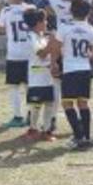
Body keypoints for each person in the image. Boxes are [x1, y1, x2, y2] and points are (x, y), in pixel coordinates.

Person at [44, 0, 93, 150]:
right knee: (83, 102)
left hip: (70, 70)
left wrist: (54, 63)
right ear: (88, 13)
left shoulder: (64, 27)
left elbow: (56, 46)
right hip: (85, 69)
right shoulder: (90, 29)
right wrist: (90, 55)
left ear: (70, 10)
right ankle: (87, 137)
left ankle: (78, 136)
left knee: (67, 103)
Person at [0, 0, 35, 128]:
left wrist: (5, 28)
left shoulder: (6, 11)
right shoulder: (31, 8)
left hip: (14, 54)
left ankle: (17, 116)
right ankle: (32, 115)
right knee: (31, 85)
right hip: (31, 53)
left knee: (14, 86)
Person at [22, 8, 57, 141]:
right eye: (44, 20)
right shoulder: (31, 37)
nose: (47, 22)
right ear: (38, 23)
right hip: (36, 77)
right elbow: (41, 54)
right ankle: (32, 129)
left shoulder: (42, 37)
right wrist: (52, 43)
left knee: (49, 103)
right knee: (36, 105)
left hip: (47, 76)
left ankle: (47, 131)